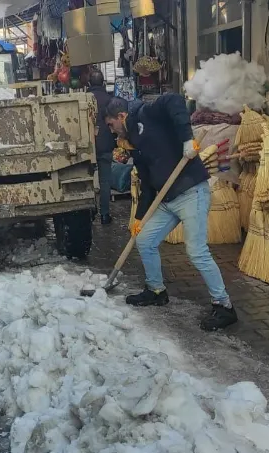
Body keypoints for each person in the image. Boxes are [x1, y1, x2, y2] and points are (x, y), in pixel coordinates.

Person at [103, 95, 238, 331]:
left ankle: (224, 305)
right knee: (144, 240)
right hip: (168, 199)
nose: (111, 130)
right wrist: (139, 219)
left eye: (110, 124)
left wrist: (187, 139)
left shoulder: (147, 113)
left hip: (191, 192)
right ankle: (156, 290)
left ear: (121, 116)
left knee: (196, 251)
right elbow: (146, 185)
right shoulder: (134, 143)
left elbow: (174, 100)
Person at [88, 70, 115, 225]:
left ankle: (90, 212)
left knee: (87, 181)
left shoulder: (84, 98)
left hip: (88, 147)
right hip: (105, 145)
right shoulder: (109, 100)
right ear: (103, 82)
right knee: (105, 182)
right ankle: (105, 215)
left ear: (89, 83)